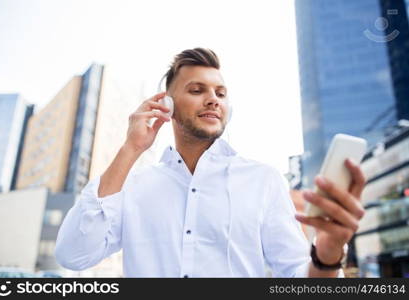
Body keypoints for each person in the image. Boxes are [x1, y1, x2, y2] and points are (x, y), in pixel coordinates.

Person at [55, 48, 366, 277]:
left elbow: (298, 275)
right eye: (197, 90)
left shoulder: (264, 180)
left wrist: (326, 256)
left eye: (220, 92)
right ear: (167, 106)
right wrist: (131, 148)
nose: (214, 99)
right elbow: (74, 254)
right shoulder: (134, 187)